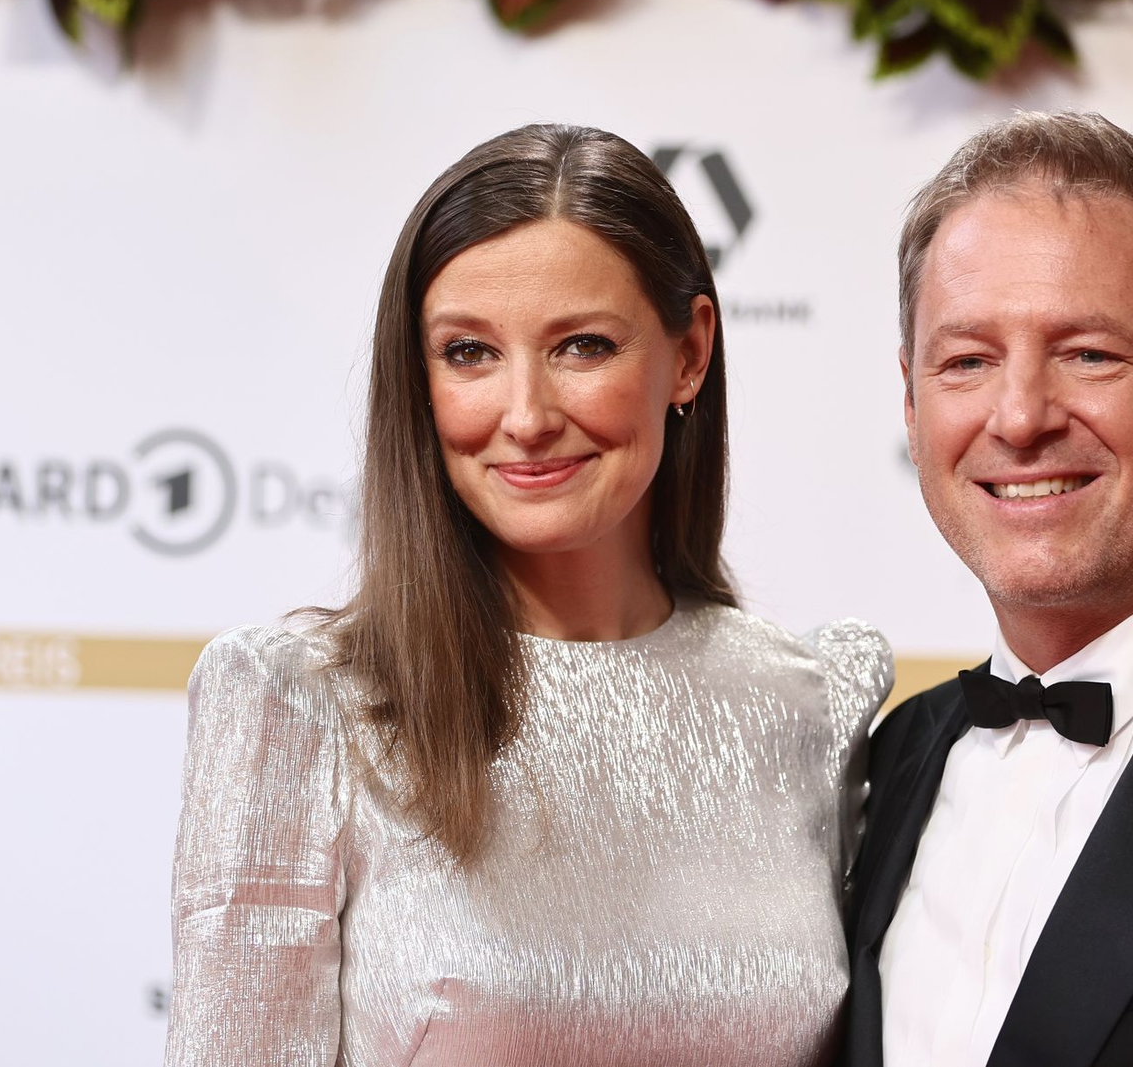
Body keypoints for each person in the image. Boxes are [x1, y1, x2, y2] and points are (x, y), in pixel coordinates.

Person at [165, 123, 892, 1066]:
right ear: (419, 380)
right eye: (469, 352)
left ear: (689, 354)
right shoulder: (301, 704)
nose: (526, 416)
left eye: (582, 345)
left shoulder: (811, 702)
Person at [844, 110, 1133, 1067]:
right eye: (967, 361)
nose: (1020, 417)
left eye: (1089, 352)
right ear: (911, 399)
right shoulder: (883, 767)